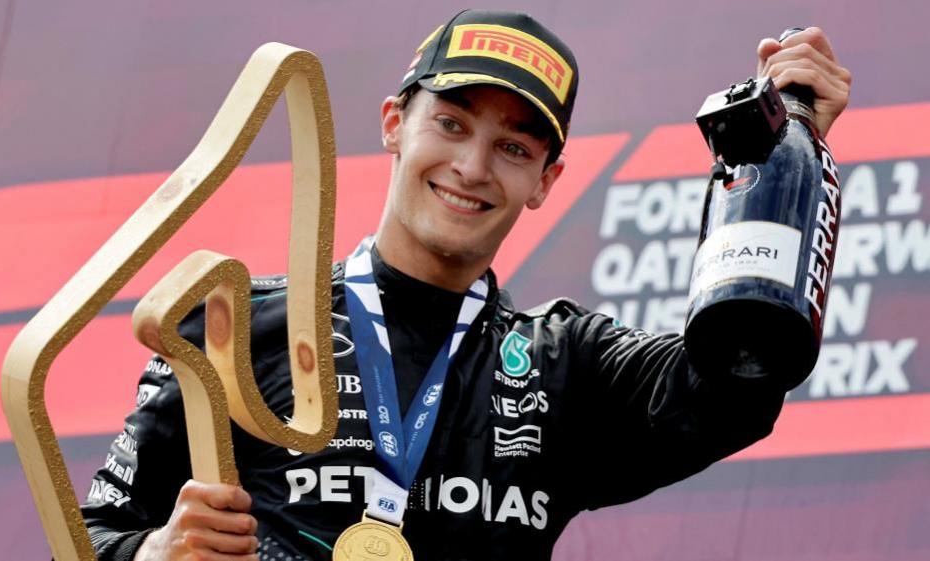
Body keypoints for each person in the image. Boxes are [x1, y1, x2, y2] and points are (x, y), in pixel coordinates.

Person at [81, 9, 851, 561]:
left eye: (512, 146)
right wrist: (151, 552)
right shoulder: (235, 323)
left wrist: (782, 152)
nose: (472, 167)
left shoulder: (564, 363)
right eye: (450, 124)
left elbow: (728, 378)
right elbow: (86, 532)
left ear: (546, 181)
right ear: (393, 123)